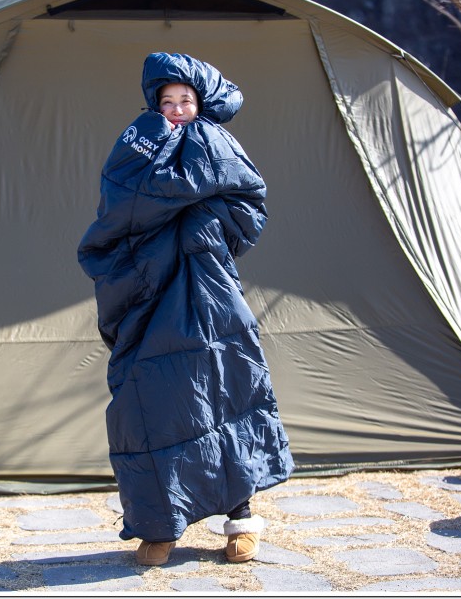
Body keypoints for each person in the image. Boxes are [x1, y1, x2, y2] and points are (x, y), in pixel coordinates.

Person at [78, 52, 293, 566]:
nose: (175, 109)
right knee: (152, 402)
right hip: (150, 290)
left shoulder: (216, 141)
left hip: (209, 291)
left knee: (227, 395)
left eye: (186, 101)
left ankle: (241, 521)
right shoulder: (138, 143)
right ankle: (161, 524)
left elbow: (249, 205)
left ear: (202, 104)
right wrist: (161, 220)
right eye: (167, 101)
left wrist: (202, 225)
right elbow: (118, 208)